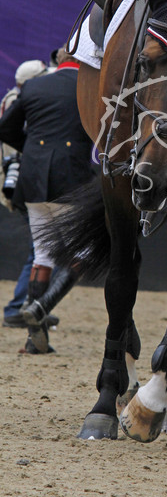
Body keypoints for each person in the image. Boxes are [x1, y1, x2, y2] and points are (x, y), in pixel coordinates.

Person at [0, 47, 94, 354]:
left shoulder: (35, 84)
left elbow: (6, 129)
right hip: (70, 176)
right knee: (84, 252)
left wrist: (34, 152)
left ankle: (34, 338)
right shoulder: (89, 86)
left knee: (43, 255)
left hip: (34, 177)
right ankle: (43, 305)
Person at [0, 59, 51, 327]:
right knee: (38, 250)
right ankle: (19, 307)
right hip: (22, 179)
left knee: (40, 248)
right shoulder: (24, 100)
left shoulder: (13, 97)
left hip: (17, 178)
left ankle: (36, 302)